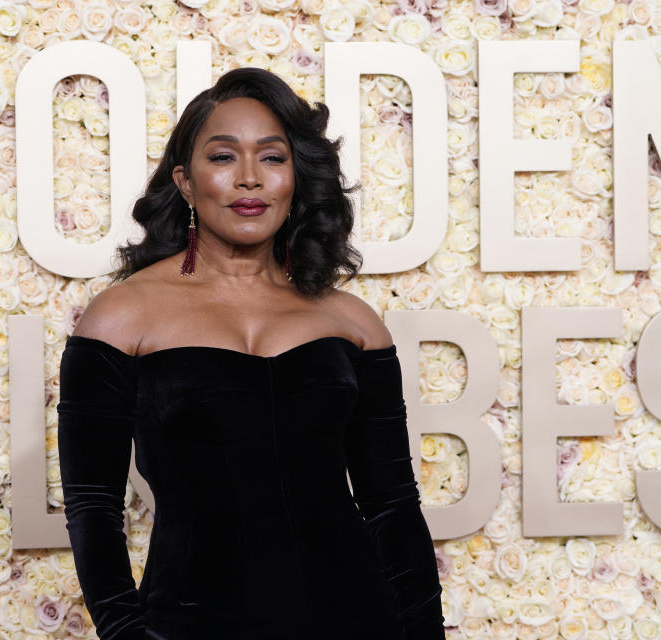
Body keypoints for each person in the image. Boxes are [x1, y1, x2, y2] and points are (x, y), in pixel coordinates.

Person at [57, 67, 445, 640]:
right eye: (222, 157)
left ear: (295, 178)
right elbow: (92, 507)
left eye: (271, 157)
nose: (248, 180)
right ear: (186, 183)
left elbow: (391, 505)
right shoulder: (122, 317)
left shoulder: (351, 321)